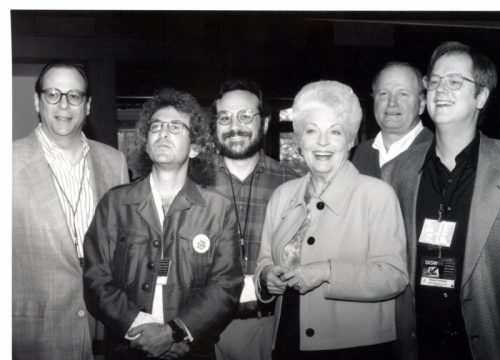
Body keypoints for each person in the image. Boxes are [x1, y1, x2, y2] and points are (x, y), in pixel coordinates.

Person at [389, 41, 500, 360]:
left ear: (481, 96)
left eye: (455, 82)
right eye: (435, 81)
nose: (441, 89)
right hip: (416, 345)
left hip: (491, 346)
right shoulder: (395, 173)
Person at [83, 88, 244, 359]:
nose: (163, 132)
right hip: (128, 348)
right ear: (146, 144)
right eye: (156, 126)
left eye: (175, 126)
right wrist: (141, 330)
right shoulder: (114, 203)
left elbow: (226, 286)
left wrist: (175, 333)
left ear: (195, 147)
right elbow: (96, 280)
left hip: (190, 351)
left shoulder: (218, 209)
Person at [255, 80, 409, 360]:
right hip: (288, 339)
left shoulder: (377, 195)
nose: (322, 142)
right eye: (312, 130)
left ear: (350, 140)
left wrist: (327, 271)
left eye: (335, 131)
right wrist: (267, 277)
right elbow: (264, 260)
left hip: (356, 347)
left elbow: (394, 276)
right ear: (300, 140)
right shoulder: (282, 195)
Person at [12, 61, 129, 360]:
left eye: (74, 95)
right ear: (37, 101)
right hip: (32, 334)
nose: (64, 103)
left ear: (87, 105)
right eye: (53, 93)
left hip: (104, 330)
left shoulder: (115, 162)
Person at [190, 78, 299, 360]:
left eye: (245, 116)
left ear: (263, 123)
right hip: (199, 329)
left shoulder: (293, 184)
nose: (234, 126)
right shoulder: (190, 182)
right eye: (224, 117)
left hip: (269, 326)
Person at [351, 61, 434, 182]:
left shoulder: (438, 154)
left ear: (421, 105)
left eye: (403, 94)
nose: (391, 102)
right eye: (383, 93)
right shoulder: (355, 155)